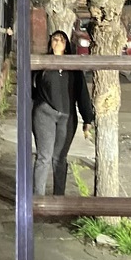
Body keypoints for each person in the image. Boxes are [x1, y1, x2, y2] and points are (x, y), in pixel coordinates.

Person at [32, 30, 94, 196]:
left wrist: (87, 119)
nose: (57, 42)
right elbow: (31, 89)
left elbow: (82, 94)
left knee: (60, 158)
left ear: (67, 45)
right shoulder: (42, 63)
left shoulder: (73, 67)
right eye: (54, 39)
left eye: (61, 40)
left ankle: (58, 199)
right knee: (44, 157)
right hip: (45, 113)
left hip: (67, 116)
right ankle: (37, 198)